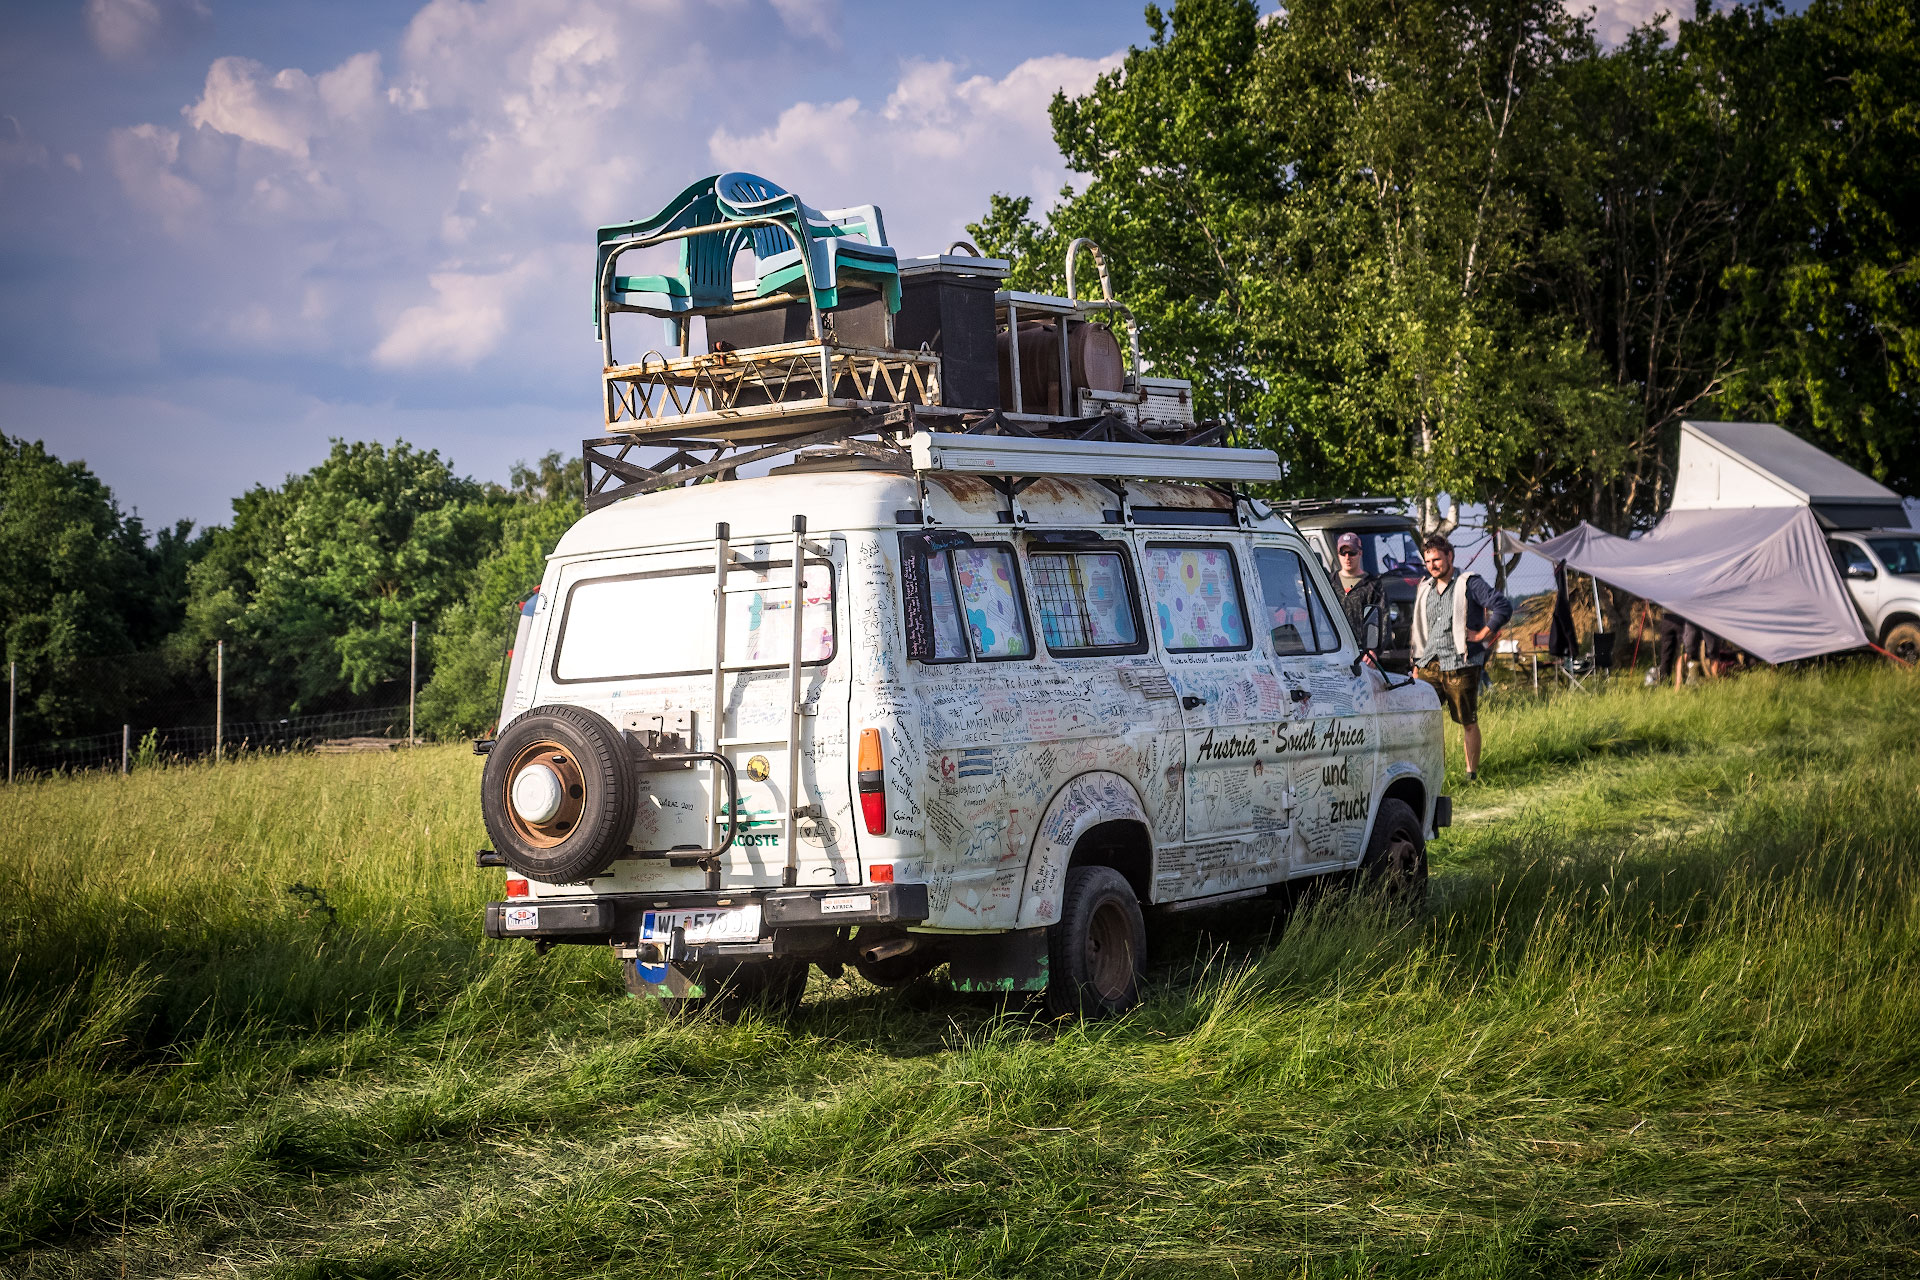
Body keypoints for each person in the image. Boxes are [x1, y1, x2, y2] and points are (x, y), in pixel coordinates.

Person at [1411, 533, 1512, 782]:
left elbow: (1502, 606)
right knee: (1424, 720)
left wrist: (1482, 635)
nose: (1433, 565)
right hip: (1429, 662)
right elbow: (1420, 628)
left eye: (1437, 559)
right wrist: (1415, 663)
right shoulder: (1425, 587)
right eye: (1428, 561)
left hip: (1461, 662)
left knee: (1467, 720)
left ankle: (1471, 775)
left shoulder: (1469, 582)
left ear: (1450, 556)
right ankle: (1432, 774)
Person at [1329, 532, 1387, 647]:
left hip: (1362, 653)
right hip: (1333, 650)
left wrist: (1373, 650)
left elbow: (1382, 621)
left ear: (1360, 553)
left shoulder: (1373, 585)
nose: (1347, 557)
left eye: (1352, 553)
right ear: (1337, 553)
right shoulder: (1328, 582)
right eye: (1343, 552)